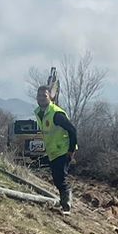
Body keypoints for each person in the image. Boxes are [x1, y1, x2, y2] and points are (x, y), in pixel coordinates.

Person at [35, 84, 79, 213]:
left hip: (63, 150)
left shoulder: (56, 114)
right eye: (39, 95)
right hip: (53, 151)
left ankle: (67, 204)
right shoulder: (39, 113)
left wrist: (71, 150)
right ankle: (63, 202)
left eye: (44, 95)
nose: (41, 98)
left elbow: (72, 130)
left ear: (50, 97)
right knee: (56, 178)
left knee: (60, 178)